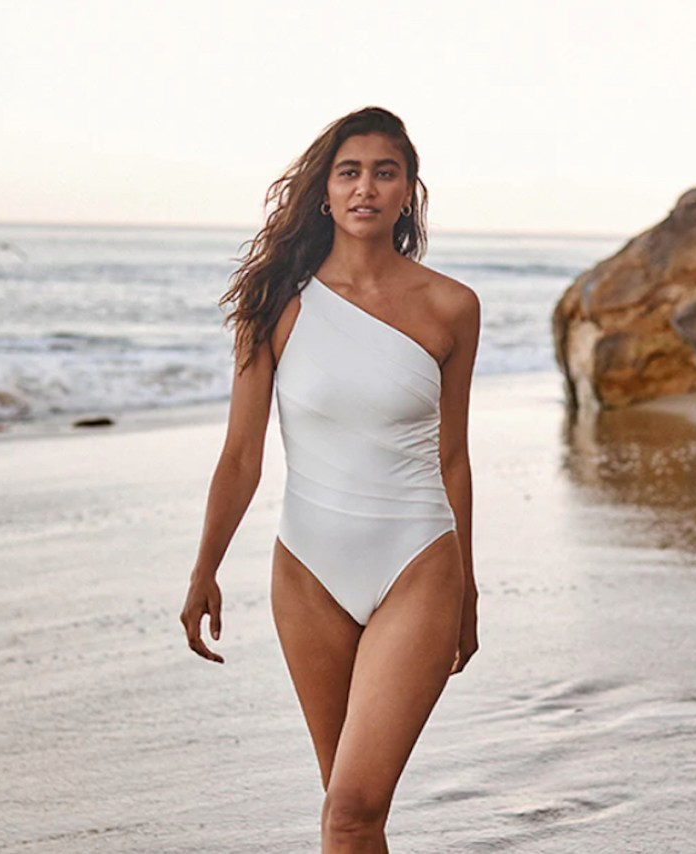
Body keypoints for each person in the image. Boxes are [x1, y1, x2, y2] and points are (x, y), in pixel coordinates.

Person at [179, 105, 480, 852]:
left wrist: (467, 589)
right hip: (308, 571)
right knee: (348, 813)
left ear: (409, 189)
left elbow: (454, 458)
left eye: (385, 172)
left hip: (417, 563)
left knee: (351, 808)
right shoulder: (274, 306)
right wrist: (205, 568)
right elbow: (241, 456)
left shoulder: (451, 308)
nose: (366, 187)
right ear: (325, 191)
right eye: (349, 172)